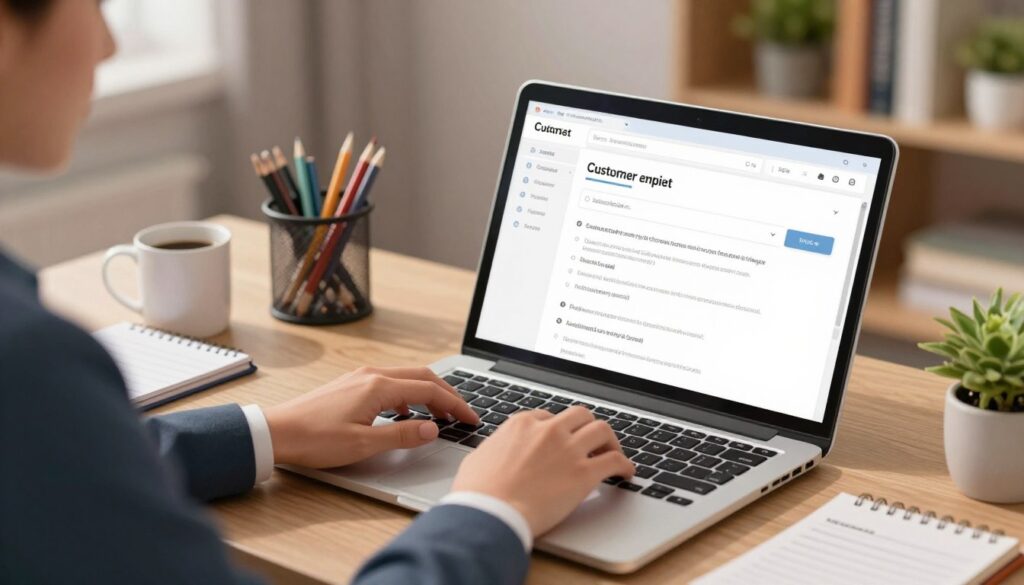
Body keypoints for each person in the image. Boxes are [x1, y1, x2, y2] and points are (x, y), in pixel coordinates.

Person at [0, 2, 635, 584]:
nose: (108, 45)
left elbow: (46, 474)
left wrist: (267, 432)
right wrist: (494, 508)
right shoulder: (29, 363)